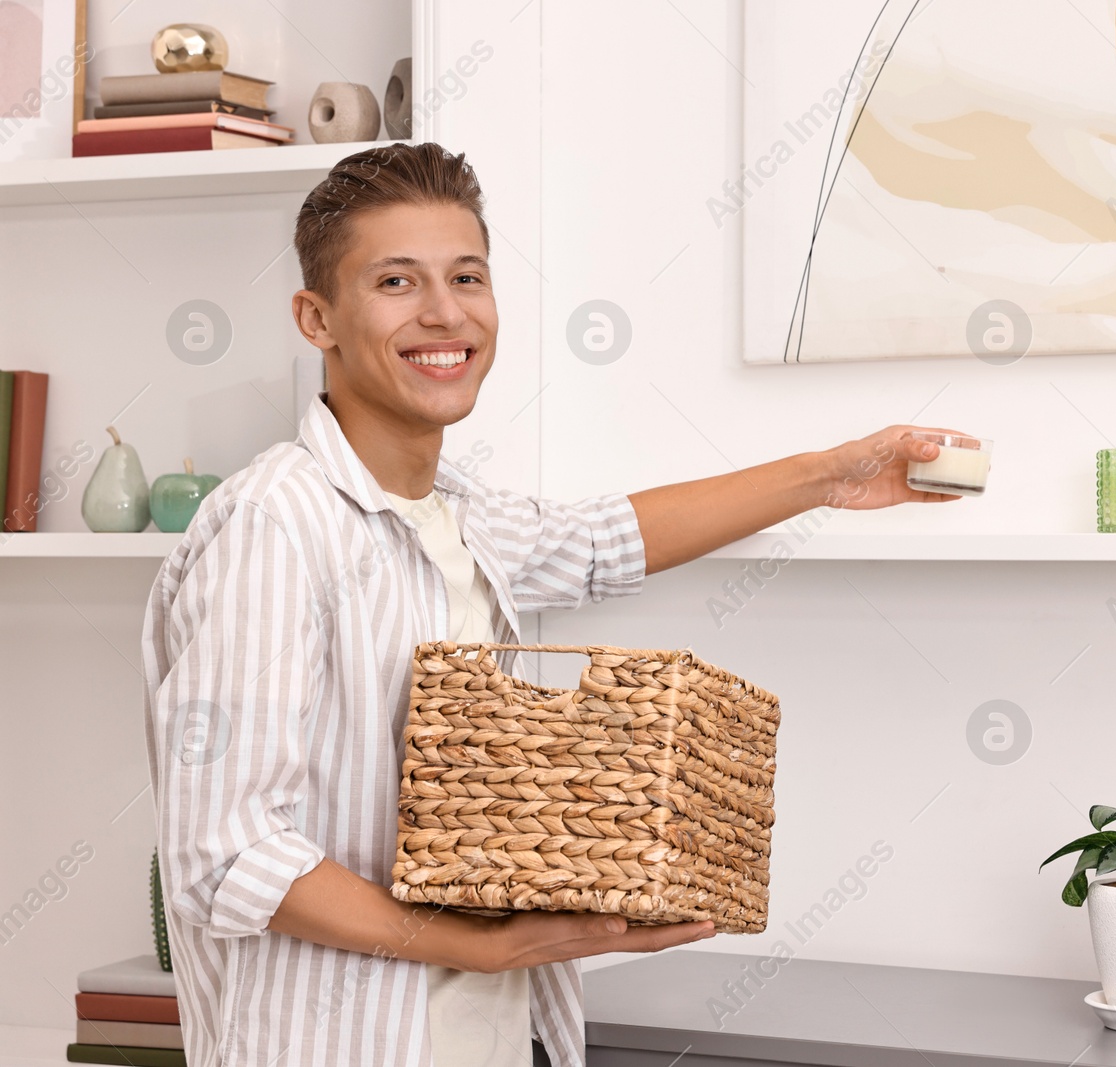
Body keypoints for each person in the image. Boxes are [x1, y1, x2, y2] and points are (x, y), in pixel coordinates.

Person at [141, 141, 967, 1067]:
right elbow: (226, 853)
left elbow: (602, 540)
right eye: (397, 283)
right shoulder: (273, 525)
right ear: (316, 317)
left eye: (467, 277)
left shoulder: (454, 514)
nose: (444, 312)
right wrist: (480, 944)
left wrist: (832, 475)